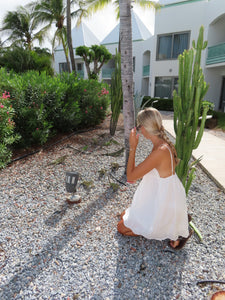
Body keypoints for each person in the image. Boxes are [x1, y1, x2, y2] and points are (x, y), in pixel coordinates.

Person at [117, 107, 193, 250]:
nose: (139, 129)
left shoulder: (161, 150)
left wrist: (132, 147)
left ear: (146, 127)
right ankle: (177, 221)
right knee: (124, 215)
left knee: (121, 227)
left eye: (139, 126)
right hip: (163, 197)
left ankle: (176, 231)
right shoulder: (161, 144)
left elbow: (131, 176)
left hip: (163, 203)